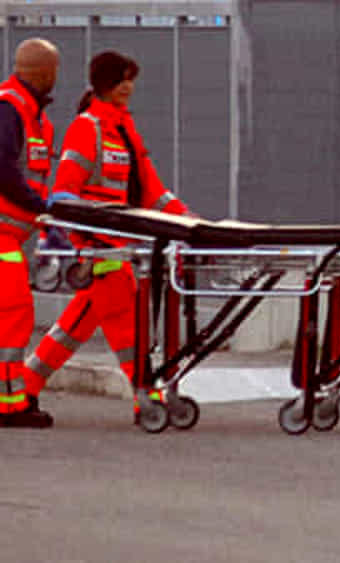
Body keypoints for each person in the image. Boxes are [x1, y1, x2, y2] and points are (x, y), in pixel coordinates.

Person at [23, 50, 191, 421]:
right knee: (126, 322)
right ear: (104, 84)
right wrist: (85, 243)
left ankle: (27, 384)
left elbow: (151, 190)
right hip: (100, 247)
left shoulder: (124, 129)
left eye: (131, 79)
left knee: (75, 325)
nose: (128, 87)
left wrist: (189, 221)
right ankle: (144, 395)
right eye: (121, 80)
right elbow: (65, 193)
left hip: (119, 245)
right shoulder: (88, 128)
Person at [0, 38, 59, 428]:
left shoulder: (34, 116)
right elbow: (2, 166)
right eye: (53, 69)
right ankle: (8, 405)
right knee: (13, 315)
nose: (56, 77)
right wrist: (38, 206)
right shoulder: (11, 108)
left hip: (12, 237)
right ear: (41, 72)